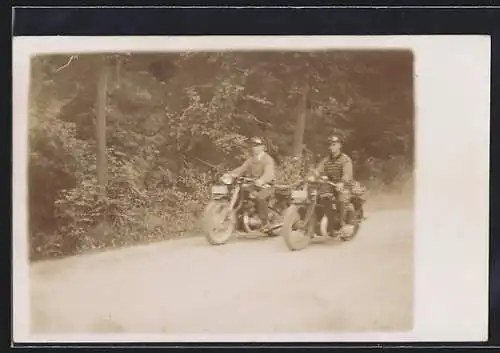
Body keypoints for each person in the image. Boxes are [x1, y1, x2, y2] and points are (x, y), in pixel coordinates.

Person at [224, 137, 276, 231]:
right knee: (242, 193)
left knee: (260, 197)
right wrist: (231, 175)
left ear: (263, 147)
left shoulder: (268, 159)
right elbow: (242, 168)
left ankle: (265, 223)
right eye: (253, 146)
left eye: (257, 146)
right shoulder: (251, 159)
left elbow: (269, 173)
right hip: (254, 184)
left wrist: (262, 180)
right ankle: (241, 220)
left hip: (267, 185)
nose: (254, 148)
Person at [310, 135, 354, 234]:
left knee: (342, 199)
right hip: (330, 185)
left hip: (344, 185)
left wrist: (342, 183)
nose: (331, 147)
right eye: (330, 145)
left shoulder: (345, 159)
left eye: (334, 145)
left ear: (339, 145)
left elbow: (347, 173)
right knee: (320, 196)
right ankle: (325, 219)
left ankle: (343, 223)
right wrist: (314, 176)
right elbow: (319, 169)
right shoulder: (326, 159)